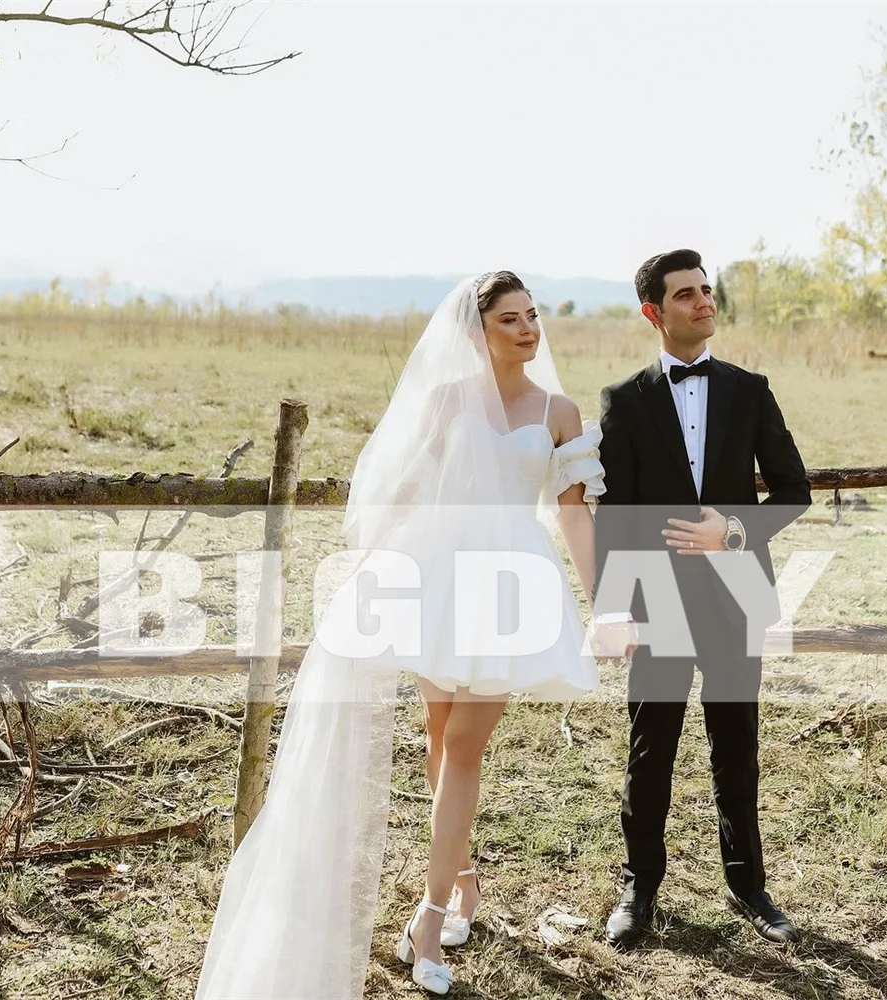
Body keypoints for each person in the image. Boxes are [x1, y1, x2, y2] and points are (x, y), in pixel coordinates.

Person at [195, 272, 607, 999]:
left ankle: (431, 912)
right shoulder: (448, 400)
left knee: (466, 747)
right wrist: (376, 571)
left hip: (510, 584)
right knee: (437, 735)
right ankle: (465, 877)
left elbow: (574, 513)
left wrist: (604, 603)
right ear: (478, 330)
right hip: (439, 573)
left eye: (533, 316)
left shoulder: (561, 411)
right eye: (509, 319)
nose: (527, 329)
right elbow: (400, 484)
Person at [591, 249, 811, 949]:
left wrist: (734, 528)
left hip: (737, 592)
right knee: (651, 748)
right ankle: (638, 888)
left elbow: (793, 490)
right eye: (686, 295)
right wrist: (614, 605)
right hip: (655, 599)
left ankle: (750, 887)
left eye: (707, 291)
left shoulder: (751, 390)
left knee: (736, 744)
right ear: (654, 312)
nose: (704, 302)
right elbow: (615, 515)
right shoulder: (624, 402)